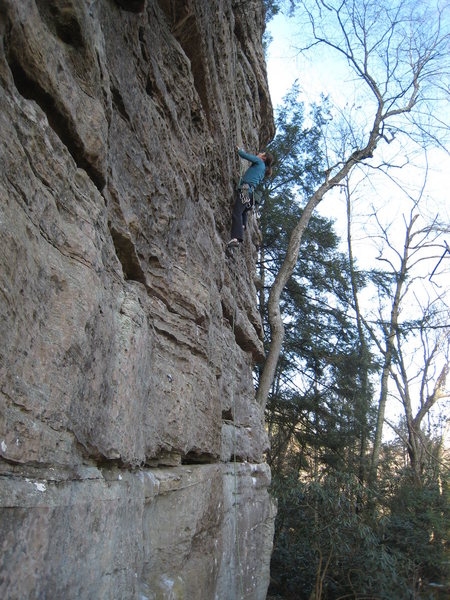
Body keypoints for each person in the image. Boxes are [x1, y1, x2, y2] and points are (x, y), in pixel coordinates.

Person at [228, 147, 273, 248]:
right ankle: (243, 225)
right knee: (243, 211)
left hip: (245, 189)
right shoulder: (262, 170)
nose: (260, 153)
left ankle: (235, 238)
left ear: (264, 158)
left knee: (237, 212)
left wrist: (239, 150)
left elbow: (245, 156)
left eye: (262, 153)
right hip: (251, 193)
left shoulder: (259, 162)